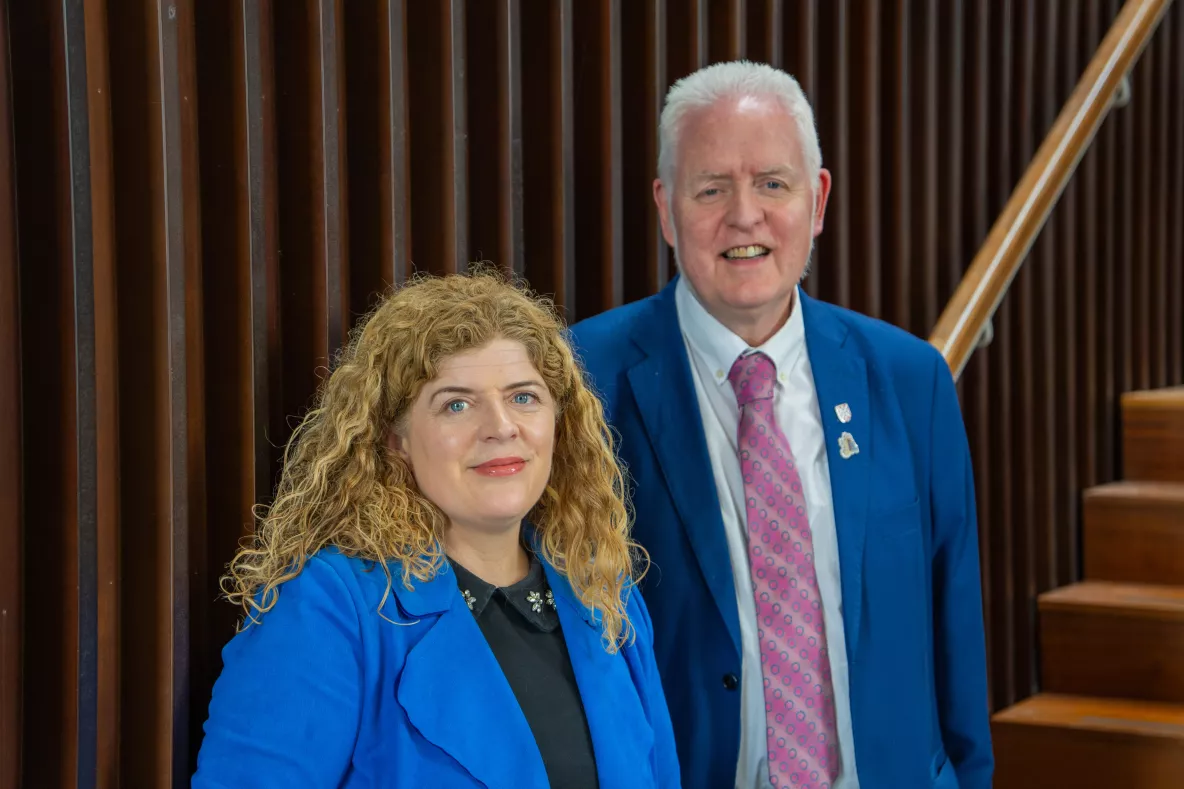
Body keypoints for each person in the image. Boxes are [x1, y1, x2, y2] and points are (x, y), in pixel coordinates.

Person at [569, 60, 993, 789]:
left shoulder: (908, 377)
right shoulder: (582, 382)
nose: (745, 215)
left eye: (772, 182)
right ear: (667, 209)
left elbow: (953, 625)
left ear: (817, 199)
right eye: (711, 188)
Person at [192, 270, 681, 788]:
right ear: (394, 440)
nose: (500, 426)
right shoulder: (329, 607)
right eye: (456, 404)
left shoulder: (604, 589)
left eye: (523, 397)